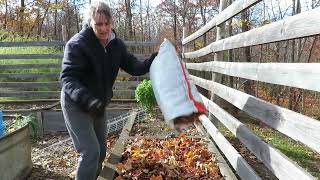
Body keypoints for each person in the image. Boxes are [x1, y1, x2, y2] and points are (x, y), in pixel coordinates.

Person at [60, 1, 157, 179]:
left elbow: (134, 66)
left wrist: (152, 61)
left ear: (112, 22)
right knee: (90, 153)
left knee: (102, 152)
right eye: (98, 24)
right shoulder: (77, 45)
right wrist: (87, 99)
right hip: (76, 104)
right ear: (90, 22)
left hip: (98, 105)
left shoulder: (116, 45)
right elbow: (67, 78)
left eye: (107, 23)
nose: (104, 29)